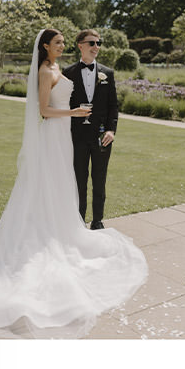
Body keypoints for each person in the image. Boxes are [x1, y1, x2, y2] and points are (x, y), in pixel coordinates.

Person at [0, 29, 148, 338]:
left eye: (63, 43)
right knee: (50, 185)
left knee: (63, 188)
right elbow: (43, 111)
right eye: (57, 42)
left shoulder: (59, 67)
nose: (62, 46)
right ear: (46, 46)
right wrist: (74, 112)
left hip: (64, 137)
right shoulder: (47, 70)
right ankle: (45, 235)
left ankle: (64, 228)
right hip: (55, 134)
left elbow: (105, 104)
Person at [61, 29, 119, 231]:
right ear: (80, 45)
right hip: (76, 137)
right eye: (92, 43)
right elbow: (61, 102)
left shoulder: (107, 74)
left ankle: (98, 221)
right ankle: (78, 222)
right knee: (79, 181)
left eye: (98, 42)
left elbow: (113, 105)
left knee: (100, 179)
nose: (96, 47)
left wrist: (111, 130)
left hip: (102, 136)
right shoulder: (67, 72)